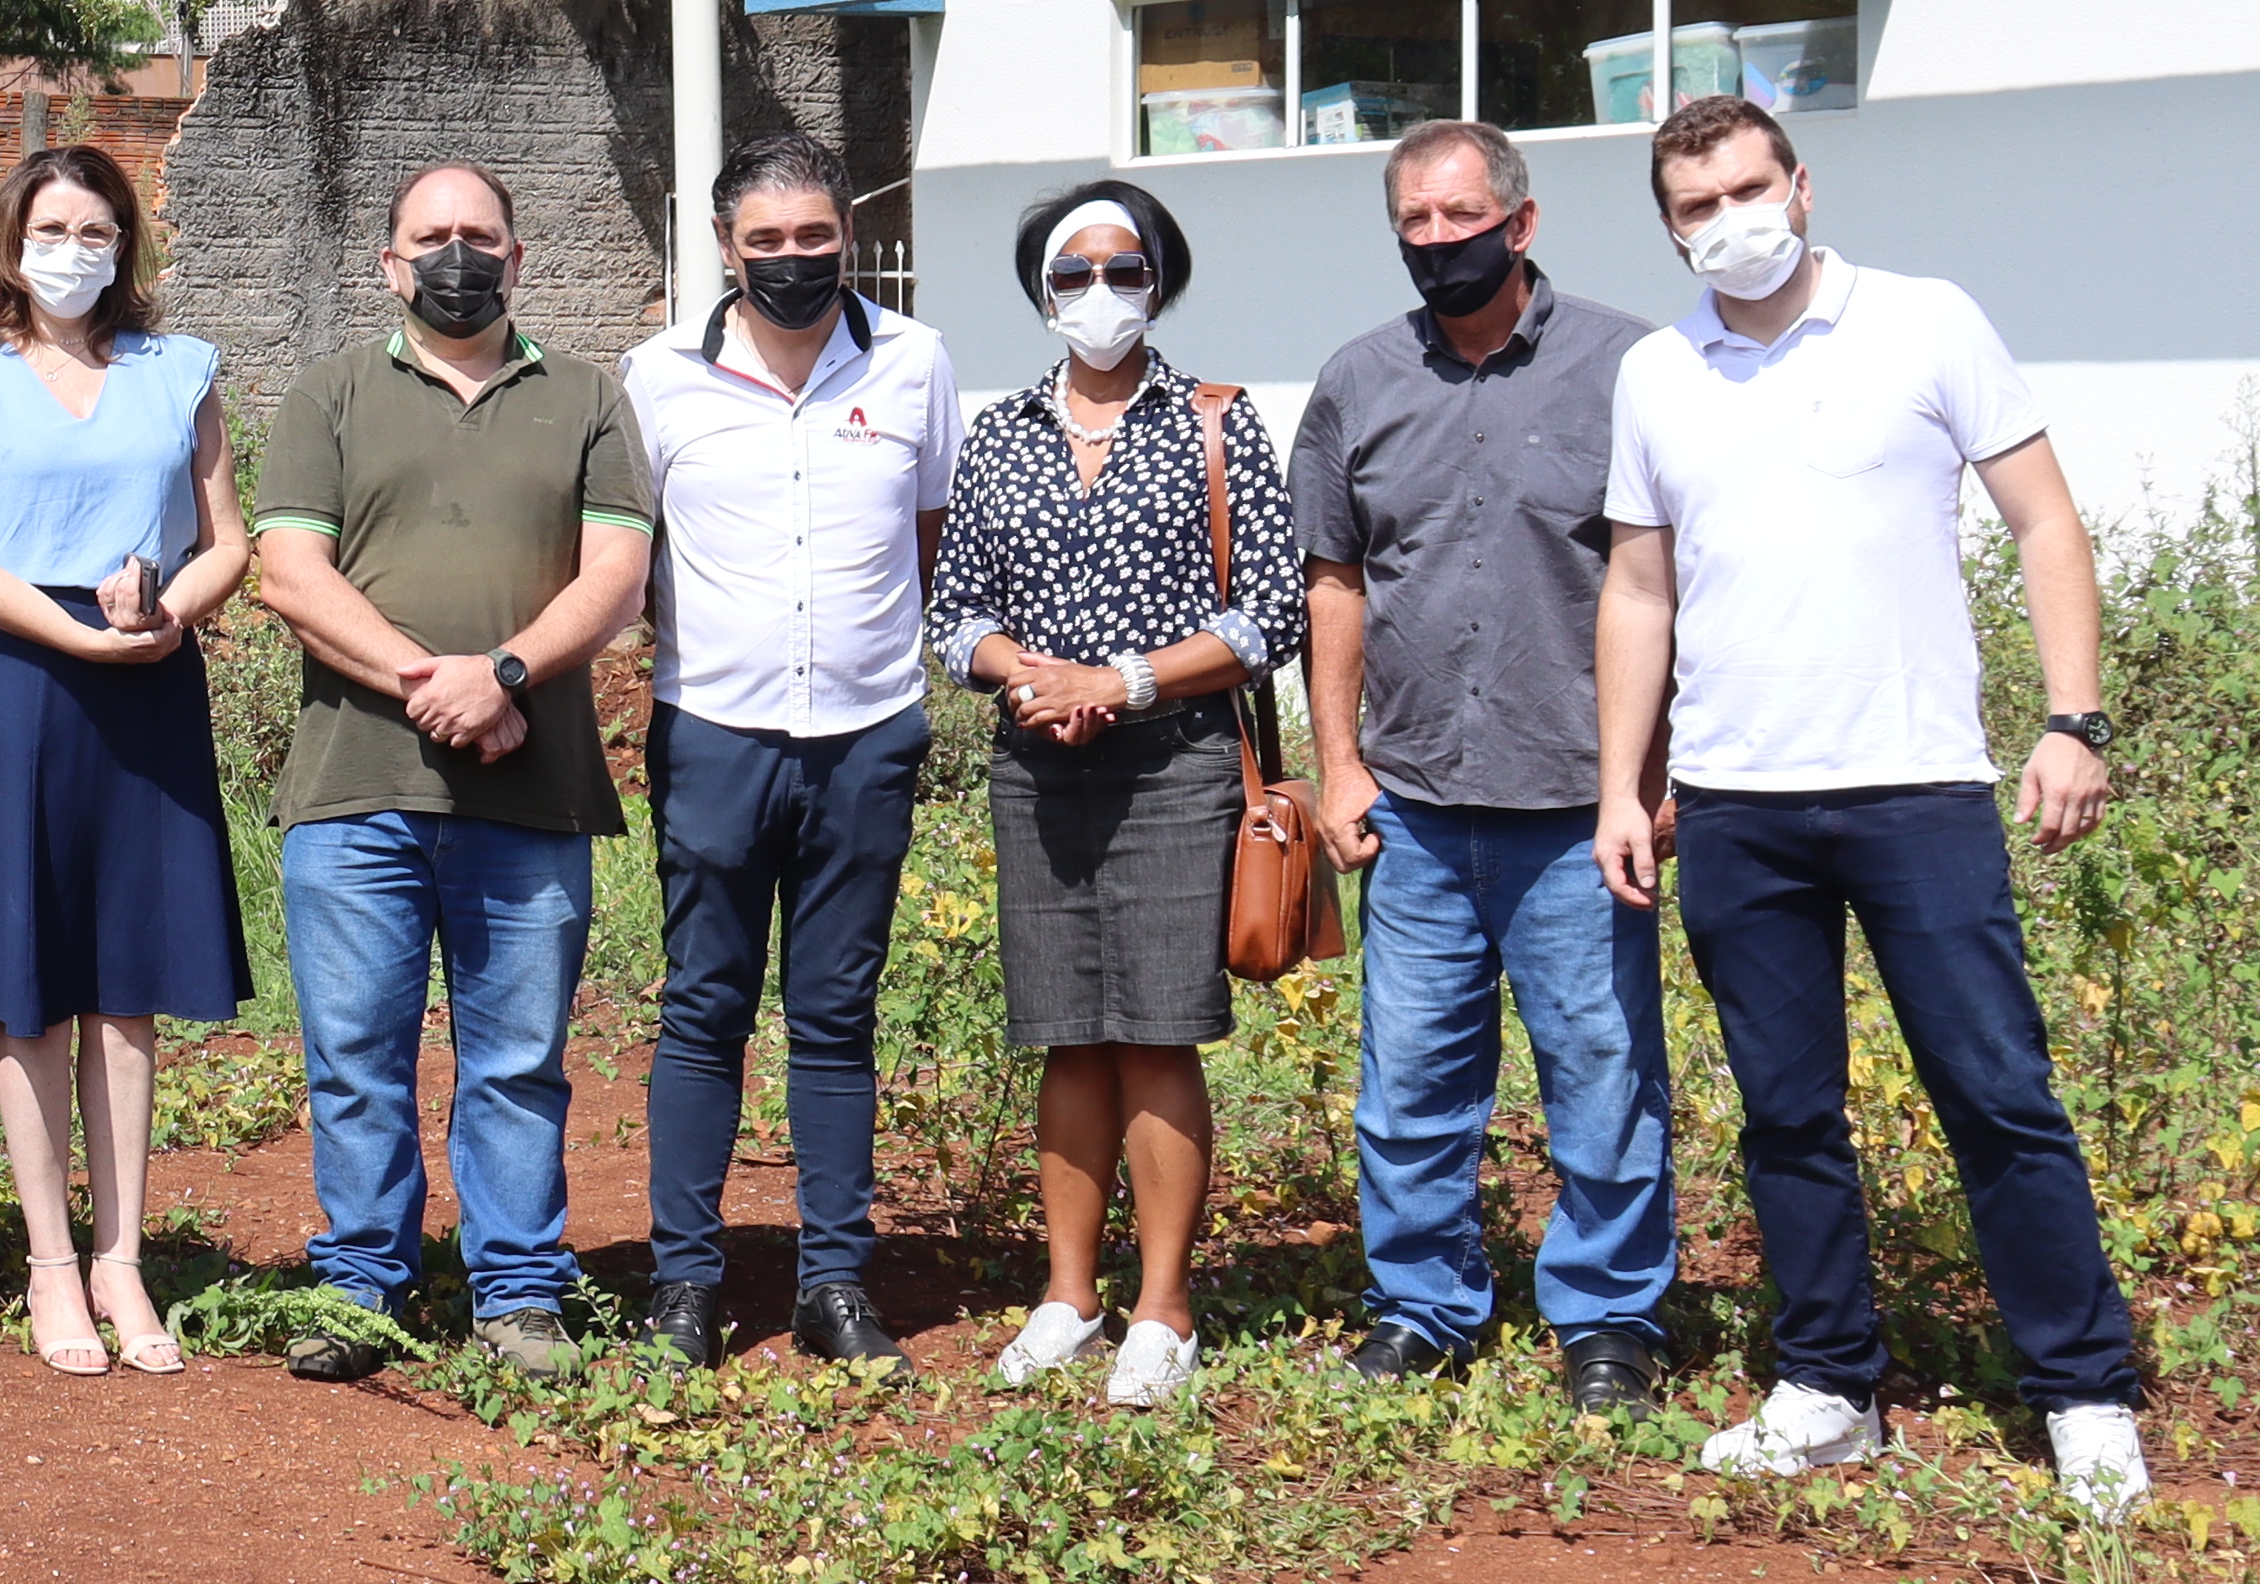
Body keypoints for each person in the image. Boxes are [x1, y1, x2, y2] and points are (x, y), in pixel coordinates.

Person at [1596, 94, 2150, 1514]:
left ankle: (2084, 1393)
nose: (1729, 220)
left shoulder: (1925, 321)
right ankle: (1829, 1386)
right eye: (1695, 207)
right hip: (1737, 806)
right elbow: (1640, 590)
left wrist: (2072, 720)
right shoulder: (1660, 374)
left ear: (1801, 181)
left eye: (1746, 188)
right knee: (1787, 1115)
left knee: (1998, 1096)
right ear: (1668, 230)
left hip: (1917, 793)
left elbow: (2045, 521)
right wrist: (1623, 784)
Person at [245, 159, 661, 1382]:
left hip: (530, 798)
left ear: (518, 258)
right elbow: (288, 576)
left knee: (520, 1061)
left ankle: (519, 1293)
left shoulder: (585, 396)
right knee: (355, 1055)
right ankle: (364, 1284)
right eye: (432, 236)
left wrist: (512, 675)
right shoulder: (328, 395)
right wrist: (444, 683)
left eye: (481, 235)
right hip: (353, 789)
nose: (457, 256)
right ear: (390, 263)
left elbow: (616, 578)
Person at [1296, 121, 1677, 1406]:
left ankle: (1611, 1321)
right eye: (1416, 223)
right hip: (1412, 804)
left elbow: (1666, 581)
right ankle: (1422, 1303)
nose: (1440, 243)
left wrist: (1650, 773)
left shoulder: (1632, 368)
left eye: (1463, 218)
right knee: (1409, 1082)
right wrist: (1338, 766)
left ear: (1521, 223)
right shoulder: (1356, 381)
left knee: (1605, 1075)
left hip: (1578, 807)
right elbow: (1335, 582)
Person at [932, 181, 1299, 1411]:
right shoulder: (999, 435)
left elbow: (1269, 614)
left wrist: (1124, 679)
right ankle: (1069, 1292)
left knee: (1154, 1027)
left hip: (1172, 765)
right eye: (1075, 270)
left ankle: (1163, 1307)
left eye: (1125, 269)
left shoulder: (1217, 421)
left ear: (1160, 281)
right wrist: (1029, 675)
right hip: (1040, 767)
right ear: (1042, 289)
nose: (1100, 292)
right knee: (1065, 1032)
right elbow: (957, 613)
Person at [0, 145, 251, 1377]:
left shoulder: (180, 370)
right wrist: (71, 631)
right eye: (52, 227)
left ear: (126, 244)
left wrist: (161, 618)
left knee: (128, 986)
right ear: (11, 240)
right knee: (28, 979)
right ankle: (52, 1263)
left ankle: (124, 1257)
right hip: (15, 683)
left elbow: (226, 542)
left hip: (147, 682)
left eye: (96, 229)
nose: (73, 249)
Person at [619, 133, 962, 1371]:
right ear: (725, 246)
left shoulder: (915, 362)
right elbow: (629, 553)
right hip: (713, 732)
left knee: (835, 1014)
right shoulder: (657, 375)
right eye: (765, 241)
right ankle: (686, 1284)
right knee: (704, 1007)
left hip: (866, 737)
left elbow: (929, 537)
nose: (793, 260)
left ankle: (832, 1282)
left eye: (814, 237)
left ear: (849, 234)